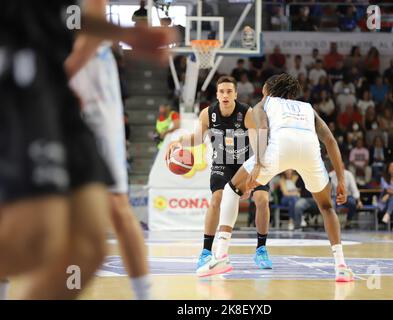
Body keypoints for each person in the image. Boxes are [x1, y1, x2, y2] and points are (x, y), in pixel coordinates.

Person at [0, 0, 176, 299]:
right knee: (34, 236)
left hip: (64, 81)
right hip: (27, 70)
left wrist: (126, 33)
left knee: (89, 244)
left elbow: (67, 15)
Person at [197, 73, 354, 282]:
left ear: (267, 89)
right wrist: (341, 180)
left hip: (280, 148)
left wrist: (259, 164)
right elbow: (330, 141)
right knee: (326, 207)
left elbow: (262, 128)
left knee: (231, 190)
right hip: (309, 151)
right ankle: (341, 266)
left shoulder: (264, 103)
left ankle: (220, 255)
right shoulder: (307, 107)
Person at [69, 8, 152, 298]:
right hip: (37, 63)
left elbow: (94, 24)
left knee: (116, 203)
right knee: (15, 205)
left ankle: (144, 294)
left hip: (88, 72)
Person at [166, 76, 273, 273]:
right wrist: (179, 141)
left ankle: (261, 249)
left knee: (262, 199)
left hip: (247, 163)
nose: (225, 95)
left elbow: (256, 143)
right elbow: (197, 138)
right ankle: (206, 251)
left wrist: (252, 176)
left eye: (229, 91)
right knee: (217, 198)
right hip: (222, 163)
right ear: (217, 94)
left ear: (235, 94)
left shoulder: (246, 113)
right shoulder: (208, 114)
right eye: (221, 91)